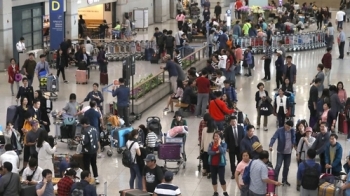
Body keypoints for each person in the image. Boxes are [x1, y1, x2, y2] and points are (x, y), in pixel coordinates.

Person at [269, 120, 296, 186]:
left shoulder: (292, 131)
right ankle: (275, 181)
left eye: (289, 127)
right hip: (280, 151)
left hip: (288, 152)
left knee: (286, 167)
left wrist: (294, 144)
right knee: (278, 166)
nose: (288, 128)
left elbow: (294, 138)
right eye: (287, 126)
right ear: (284, 124)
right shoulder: (279, 130)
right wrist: (271, 145)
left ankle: (284, 180)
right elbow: (274, 138)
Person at [79, 117, 100, 184]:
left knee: (86, 166)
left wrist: (79, 141)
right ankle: (96, 178)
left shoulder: (85, 131)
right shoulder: (94, 128)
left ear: (85, 124)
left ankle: (88, 178)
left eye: (82, 124)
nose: (82, 126)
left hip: (87, 151)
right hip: (94, 150)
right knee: (94, 164)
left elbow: (84, 142)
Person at [208, 131, 228, 196]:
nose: (215, 137)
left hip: (221, 164)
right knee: (214, 179)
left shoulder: (224, 144)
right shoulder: (211, 144)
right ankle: (215, 191)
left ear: (220, 137)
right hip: (212, 164)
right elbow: (209, 152)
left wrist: (219, 144)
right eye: (215, 136)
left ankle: (224, 191)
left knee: (222, 179)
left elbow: (222, 151)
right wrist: (216, 152)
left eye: (217, 136)